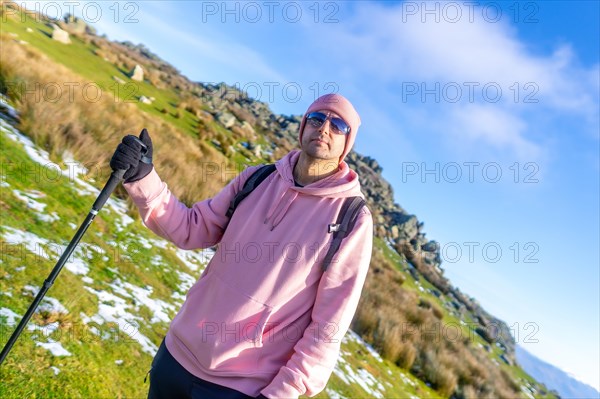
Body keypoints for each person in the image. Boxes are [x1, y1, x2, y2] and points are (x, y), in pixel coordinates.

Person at [110, 93, 373, 399]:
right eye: (317, 118)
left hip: (241, 387)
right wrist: (144, 177)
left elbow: (328, 327)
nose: (324, 128)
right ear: (303, 126)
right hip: (177, 354)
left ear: (347, 143)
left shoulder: (351, 219)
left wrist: (279, 394)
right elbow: (192, 229)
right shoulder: (257, 179)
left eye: (338, 125)